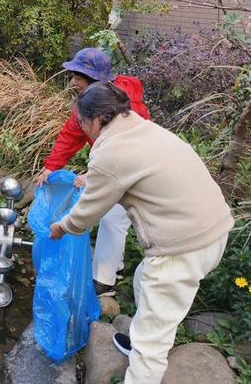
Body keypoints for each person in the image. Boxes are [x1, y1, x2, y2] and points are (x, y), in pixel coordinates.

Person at [49, 82, 232, 384]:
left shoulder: (110, 151)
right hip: (214, 231)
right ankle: (143, 335)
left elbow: (87, 212)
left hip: (182, 248)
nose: (82, 131)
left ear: (96, 119)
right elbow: (119, 174)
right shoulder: (143, 129)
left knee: (151, 347)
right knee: (142, 279)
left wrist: (62, 227)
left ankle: (144, 357)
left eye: (82, 123)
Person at [36, 48, 150, 296]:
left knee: (113, 217)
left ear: (95, 79)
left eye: (78, 76)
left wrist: (93, 176)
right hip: (113, 166)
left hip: (136, 169)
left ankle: (104, 282)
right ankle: (113, 267)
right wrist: (51, 166)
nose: (73, 81)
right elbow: (72, 133)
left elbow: (129, 149)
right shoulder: (89, 101)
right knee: (111, 217)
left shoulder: (125, 104)